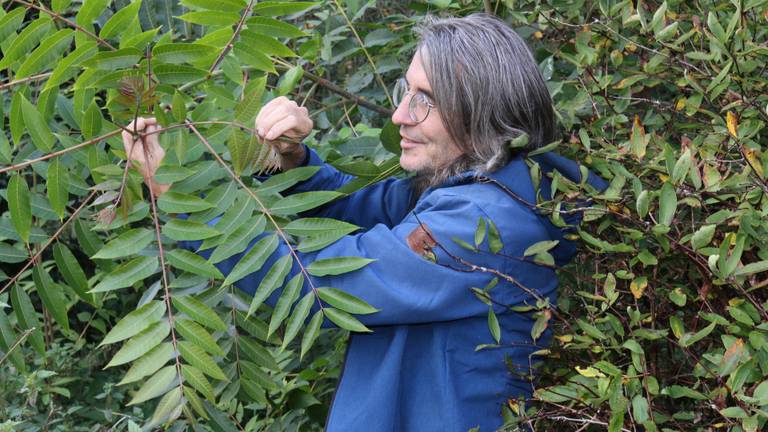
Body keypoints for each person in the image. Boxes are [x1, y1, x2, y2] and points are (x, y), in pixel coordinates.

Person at [123, 13, 605, 432]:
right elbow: (351, 210)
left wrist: (178, 198)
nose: (399, 114)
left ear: (479, 110)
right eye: (406, 91)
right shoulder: (483, 189)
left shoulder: (481, 225)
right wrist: (290, 160)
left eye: (424, 99)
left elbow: (315, 281)